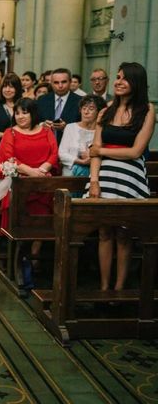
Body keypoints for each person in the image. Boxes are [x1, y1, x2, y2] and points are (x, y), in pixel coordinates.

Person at [87, 62, 155, 292]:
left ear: (136, 83)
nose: (118, 81)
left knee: (124, 234)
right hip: (104, 177)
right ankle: (105, 287)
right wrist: (94, 181)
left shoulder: (146, 110)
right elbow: (94, 149)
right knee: (105, 232)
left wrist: (101, 151)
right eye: (117, 77)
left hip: (130, 176)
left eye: (124, 78)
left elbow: (136, 151)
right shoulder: (105, 111)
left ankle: (119, 288)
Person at [0, 98, 59, 262]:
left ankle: (35, 256)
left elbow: (54, 153)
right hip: (20, 182)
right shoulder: (10, 133)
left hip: (43, 182)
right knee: (20, 219)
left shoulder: (46, 131)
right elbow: (8, 157)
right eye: (17, 113)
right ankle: (17, 256)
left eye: (25, 112)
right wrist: (31, 172)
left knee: (43, 218)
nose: (20, 116)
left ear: (33, 113)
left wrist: (42, 170)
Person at [58, 95, 106, 176]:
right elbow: (61, 154)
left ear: (99, 112)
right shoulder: (70, 127)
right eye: (84, 108)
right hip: (70, 174)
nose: (86, 112)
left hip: (95, 173)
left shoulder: (102, 131)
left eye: (91, 109)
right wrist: (81, 162)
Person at [38, 67, 81, 143]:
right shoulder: (42, 100)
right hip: (45, 145)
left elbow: (85, 128)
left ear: (70, 82)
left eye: (64, 82)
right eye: (56, 82)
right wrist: (42, 125)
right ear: (51, 83)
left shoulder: (80, 101)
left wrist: (66, 128)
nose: (60, 86)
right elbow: (34, 121)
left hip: (70, 146)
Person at [0, 73, 24, 158]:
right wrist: (6, 135)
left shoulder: (24, 105)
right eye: (4, 87)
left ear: (17, 88)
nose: (7, 90)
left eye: (11, 87)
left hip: (21, 147)